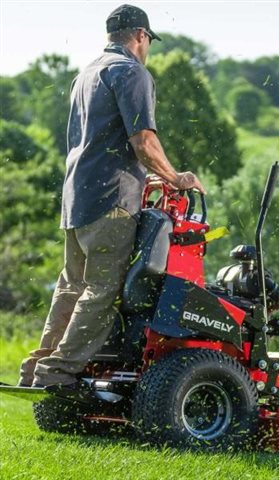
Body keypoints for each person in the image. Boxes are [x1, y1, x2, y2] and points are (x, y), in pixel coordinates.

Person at [19, 4, 205, 388]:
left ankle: (36, 367)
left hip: (76, 197)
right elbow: (144, 141)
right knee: (101, 289)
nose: (147, 47)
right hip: (111, 200)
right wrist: (175, 177)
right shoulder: (131, 72)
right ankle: (57, 373)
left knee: (71, 286)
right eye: (148, 41)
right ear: (140, 36)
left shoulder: (85, 74)